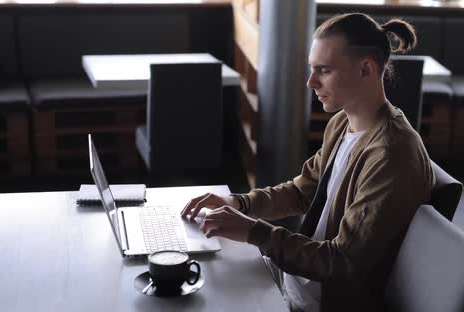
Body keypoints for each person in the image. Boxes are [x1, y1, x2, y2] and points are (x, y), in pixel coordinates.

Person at [181, 13, 433, 312]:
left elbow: (342, 262)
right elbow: (302, 191)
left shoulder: (391, 153)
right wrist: (238, 203)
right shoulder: (343, 123)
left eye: (323, 71)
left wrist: (254, 232)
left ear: (366, 69)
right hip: (300, 278)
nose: (310, 82)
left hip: (325, 300)